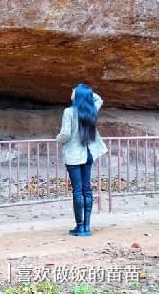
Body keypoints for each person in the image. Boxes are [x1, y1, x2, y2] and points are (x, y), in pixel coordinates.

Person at [57, 84, 108, 236]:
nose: (71, 93)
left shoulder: (69, 112)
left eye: (73, 92)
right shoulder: (91, 110)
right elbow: (99, 99)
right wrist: (87, 94)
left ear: (77, 95)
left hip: (74, 156)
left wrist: (58, 139)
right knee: (87, 190)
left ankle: (79, 227)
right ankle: (86, 228)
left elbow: (65, 134)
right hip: (89, 154)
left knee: (77, 191)